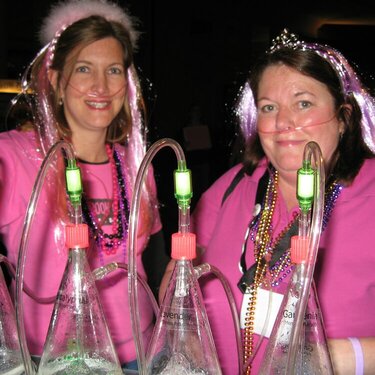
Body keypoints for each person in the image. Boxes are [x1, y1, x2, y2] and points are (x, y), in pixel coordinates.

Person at [185, 29, 375, 374]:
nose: (283, 123)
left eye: (303, 103)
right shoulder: (233, 186)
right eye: (268, 107)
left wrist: (336, 359)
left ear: (344, 117)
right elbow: (183, 279)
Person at [0, 0, 167, 371]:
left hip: (140, 354)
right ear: (57, 82)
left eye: (112, 70)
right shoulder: (15, 156)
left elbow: (153, 264)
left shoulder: (138, 164)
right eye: (83, 69)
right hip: (52, 360)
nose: (100, 86)